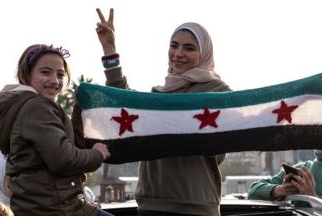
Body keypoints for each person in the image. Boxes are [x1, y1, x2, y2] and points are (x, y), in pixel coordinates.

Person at [92, 8, 232, 216]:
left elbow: (221, 149)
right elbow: (124, 106)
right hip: (152, 205)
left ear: (204, 53)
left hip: (198, 207)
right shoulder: (158, 96)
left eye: (189, 48)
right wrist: (109, 49)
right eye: (174, 46)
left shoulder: (218, 92)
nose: (178, 54)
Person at [0, 44, 114, 216]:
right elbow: (64, 160)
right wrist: (98, 154)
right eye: (45, 72)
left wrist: (78, 113)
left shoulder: (22, 107)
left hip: (37, 207)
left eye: (60, 75)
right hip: (59, 208)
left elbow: (63, 150)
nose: (54, 81)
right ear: (25, 75)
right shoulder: (37, 107)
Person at [248, 109, 322, 216]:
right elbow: (253, 191)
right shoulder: (302, 169)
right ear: (319, 135)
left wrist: (313, 198)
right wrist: (281, 190)